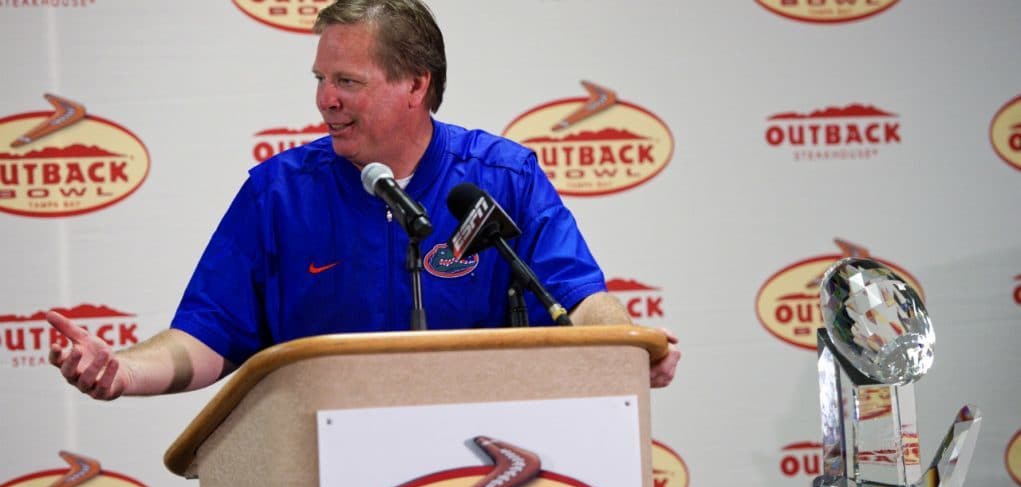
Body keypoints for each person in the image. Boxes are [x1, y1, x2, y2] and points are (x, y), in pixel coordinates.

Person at [46, 0, 680, 400]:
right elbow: (207, 336)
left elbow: (576, 298)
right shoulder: (279, 195)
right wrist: (124, 371)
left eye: (347, 81)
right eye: (321, 80)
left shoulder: (500, 176)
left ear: (415, 85)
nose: (326, 99)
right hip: (319, 474)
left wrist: (632, 346)